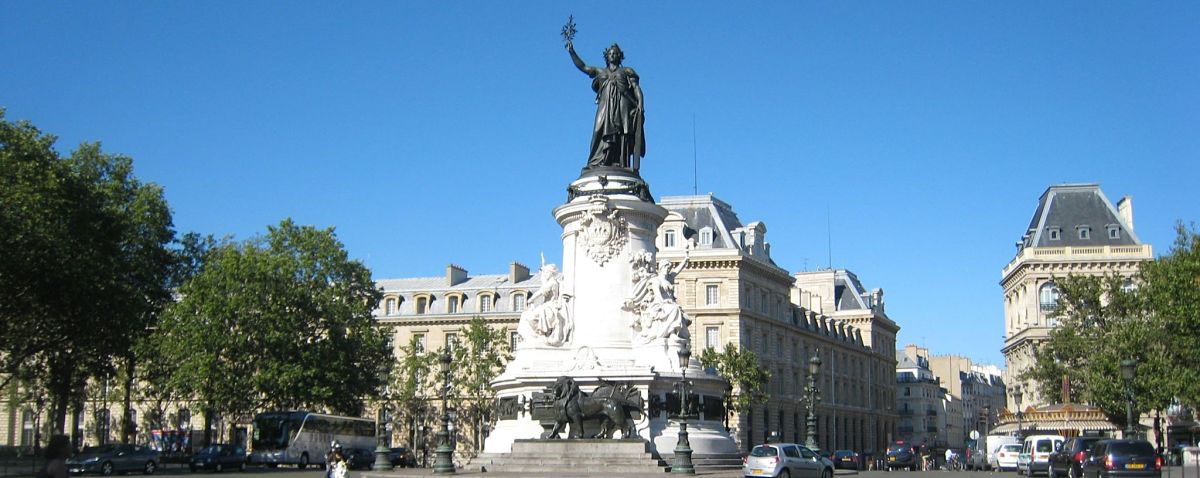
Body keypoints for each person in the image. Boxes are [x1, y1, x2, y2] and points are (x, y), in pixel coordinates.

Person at [567, 40, 645, 170]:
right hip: (604, 107)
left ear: (619, 56)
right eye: (610, 53)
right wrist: (572, 52)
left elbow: (636, 89)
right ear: (606, 56)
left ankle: (620, 163)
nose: (612, 55)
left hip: (622, 106)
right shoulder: (600, 71)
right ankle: (598, 160)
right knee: (598, 130)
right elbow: (583, 67)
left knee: (622, 135)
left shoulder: (627, 71)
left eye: (615, 53)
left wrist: (640, 104)